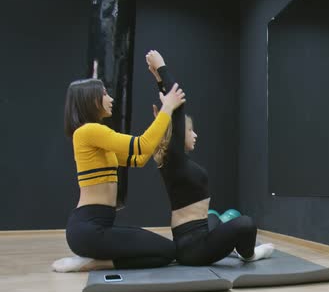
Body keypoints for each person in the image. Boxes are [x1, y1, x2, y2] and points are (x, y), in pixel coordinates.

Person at [146, 50, 274, 265]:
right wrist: (162, 69)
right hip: (193, 248)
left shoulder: (173, 160)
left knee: (214, 216)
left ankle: (229, 244)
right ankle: (249, 254)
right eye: (190, 131)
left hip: (196, 235)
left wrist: (160, 84)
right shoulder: (173, 158)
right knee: (246, 223)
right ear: (176, 135)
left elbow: (172, 114)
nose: (194, 134)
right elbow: (178, 109)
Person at [52, 76, 186, 272]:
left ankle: (95, 261)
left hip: (98, 227)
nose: (111, 99)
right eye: (105, 94)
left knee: (165, 251)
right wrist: (167, 108)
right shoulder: (89, 131)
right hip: (89, 229)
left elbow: (139, 159)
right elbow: (142, 145)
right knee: (167, 251)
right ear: (90, 99)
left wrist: (160, 122)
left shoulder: (94, 137)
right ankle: (95, 264)